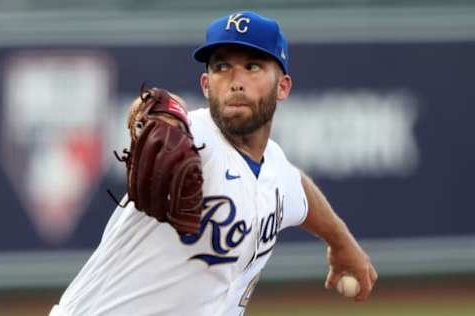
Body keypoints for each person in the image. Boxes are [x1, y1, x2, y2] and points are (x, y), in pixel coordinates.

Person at [49, 11, 377, 316]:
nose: (236, 80)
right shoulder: (193, 139)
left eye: (253, 67)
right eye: (221, 67)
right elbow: (151, 111)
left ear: (283, 86)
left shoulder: (275, 168)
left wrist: (342, 243)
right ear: (206, 86)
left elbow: (300, 194)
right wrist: (153, 116)